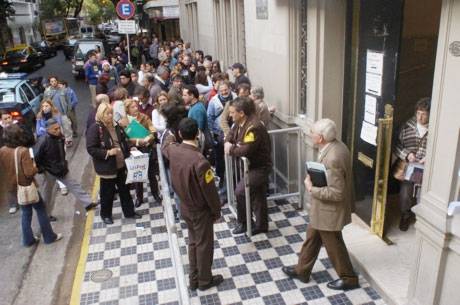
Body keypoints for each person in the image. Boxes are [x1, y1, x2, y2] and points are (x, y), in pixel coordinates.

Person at [282, 118, 359, 291]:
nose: (310, 135)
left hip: (329, 211)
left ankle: (348, 278)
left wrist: (311, 188)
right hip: (323, 211)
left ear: (321, 138)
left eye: (313, 133)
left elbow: (336, 193)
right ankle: (302, 270)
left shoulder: (333, 158)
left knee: (334, 246)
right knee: (312, 238)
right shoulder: (336, 146)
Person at [162, 118, 223, 291]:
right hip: (199, 209)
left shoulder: (173, 150)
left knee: (193, 242)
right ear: (197, 134)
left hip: (184, 206)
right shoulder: (200, 162)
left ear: (180, 134)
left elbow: (165, 145)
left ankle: (194, 278)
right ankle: (204, 280)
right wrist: (216, 212)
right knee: (204, 244)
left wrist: (170, 134)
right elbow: (210, 192)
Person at [0, 124, 62, 247]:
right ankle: (49, 236)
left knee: (25, 213)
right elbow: (29, 172)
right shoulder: (22, 151)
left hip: (14, 187)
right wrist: (34, 165)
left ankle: (28, 240)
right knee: (41, 210)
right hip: (27, 186)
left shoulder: (2, 151)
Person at [86, 103, 141, 224]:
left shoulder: (116, 125)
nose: (110, 116)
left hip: (121, 165)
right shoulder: (95, 128)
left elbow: (124, 140)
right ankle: (106, 215)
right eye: (107, 113)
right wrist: (108, 152)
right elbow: (91, 149)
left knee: (125, 190)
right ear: (101, 114)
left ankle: (129, 212)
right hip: (107, 168)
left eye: (111, 113)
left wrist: (130, 148)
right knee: (107, 193)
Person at [224, 97, 272, 235]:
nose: (230, 115)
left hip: (259, 168)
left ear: (241, 113)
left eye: (232, 112)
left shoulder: (254, 127)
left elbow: (246, 150)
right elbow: (230, 135)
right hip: (252, 166)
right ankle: (261, 225)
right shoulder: (239, 123)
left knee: (240, 191)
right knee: (258, 195)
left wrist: (230, 149)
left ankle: (244, 223)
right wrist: (229, 143)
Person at [35, 118, 98, 217]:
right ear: (48, 130)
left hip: (61, 167)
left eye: (58, 128)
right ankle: (46, 215)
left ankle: (88, 203)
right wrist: (41, 169)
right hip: (49, 170)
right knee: (48, 194)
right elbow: (37, 157)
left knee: (74, 185)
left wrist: (64, 163)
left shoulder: (60, 137)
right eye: (54, 129)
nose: (58, 131)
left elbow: (62, 152)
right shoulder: (43, 141)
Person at [394, 97, 430, 231]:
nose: (420, 117)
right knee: (405, 194)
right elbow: (396, 146)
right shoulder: (407, 126)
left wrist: (429, 157)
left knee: (423, 195)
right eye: (418, 113)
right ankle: (405, 215)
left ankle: (422, 220)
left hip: (426, 169)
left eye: (424, 114)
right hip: (409, 167)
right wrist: (407, 154)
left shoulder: (436, 129)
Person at [124, 99, 161, 207]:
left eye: (136, 106)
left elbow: (153, 131)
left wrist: (147, 139)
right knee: (138, 175)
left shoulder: (144, 117)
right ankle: (139, 198)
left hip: (147, 149)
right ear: (127, 110)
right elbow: (124, 139)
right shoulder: (125, 122)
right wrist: (137, 142)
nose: (136, 108)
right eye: (132, 107)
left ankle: (156, 194)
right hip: (135, 151)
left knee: (151, 174)